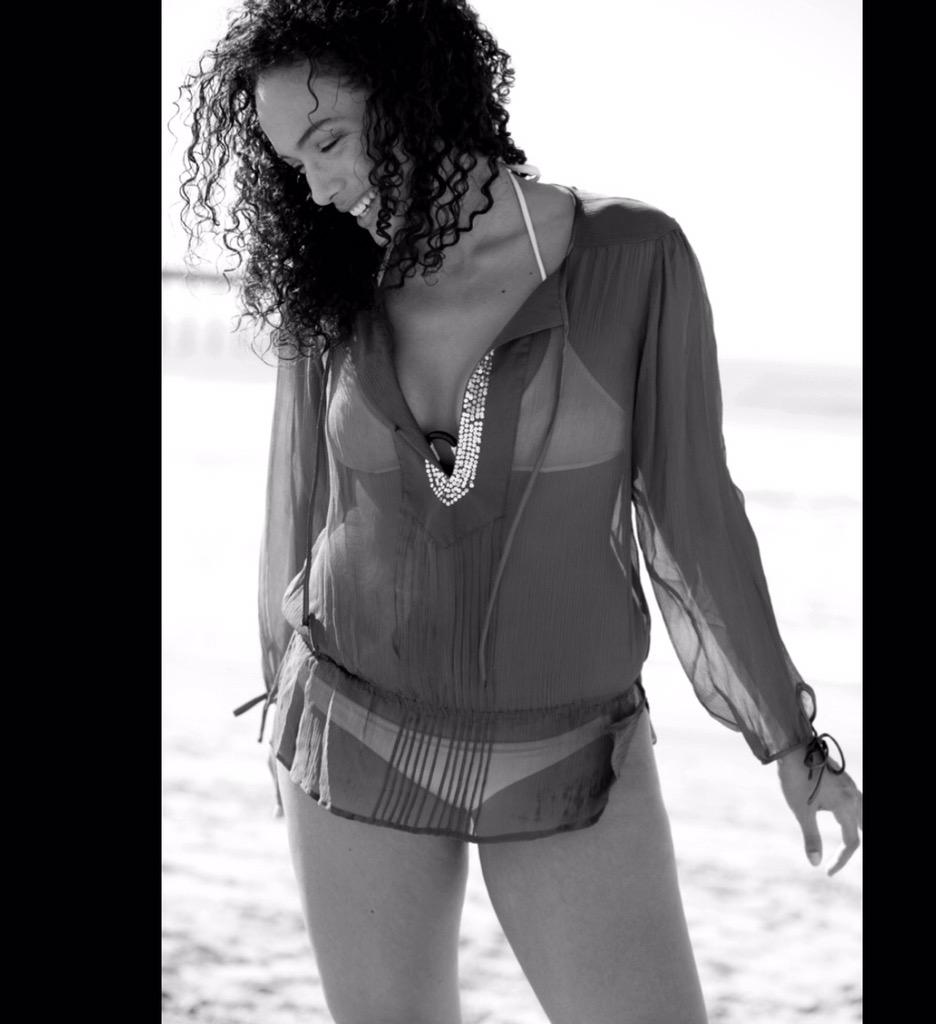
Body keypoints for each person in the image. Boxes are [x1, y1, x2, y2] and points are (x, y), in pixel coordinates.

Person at [178, 2, 863, 1022]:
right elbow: (298, 499)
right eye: (293, 163)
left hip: (570, 753)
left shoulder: (631, 258)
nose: (317, 188)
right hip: (353, 725)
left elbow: (694, 513)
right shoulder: (329, 283)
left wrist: (791, 741)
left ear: (413, 90)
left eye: (328, 140)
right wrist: (281, 688)